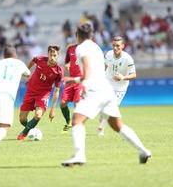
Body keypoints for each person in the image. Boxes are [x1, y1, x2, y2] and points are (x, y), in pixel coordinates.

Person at [61, 24, 151, 167]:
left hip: (95, 90)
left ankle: (79, 156)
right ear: (91, 35)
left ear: (77, 35)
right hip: (106, 89)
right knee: (117, 125)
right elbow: (100, 69)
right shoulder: (97, 47)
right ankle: (143, 150)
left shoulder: (81, 48)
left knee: (77, 121)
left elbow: (88, 72)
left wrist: (75, 80)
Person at [17, 45, 64, 140]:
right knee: (22, 120)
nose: (52, 57)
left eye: (55, 55)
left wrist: (52, 110)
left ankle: (22, 134)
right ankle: (31, 129)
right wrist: (27, 71)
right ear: (48, 54)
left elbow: (56, 91)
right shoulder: (40, 59)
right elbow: (33, 60)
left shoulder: (59, 71)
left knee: (38, 115)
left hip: (43, 94)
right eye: (51, 55)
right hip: (30, 91)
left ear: (58, 55)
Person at [97, 36, 137, 136]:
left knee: (111, 108)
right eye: (114, 45)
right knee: (103, 107)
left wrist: (122, 77)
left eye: (118, 46)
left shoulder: (127, 58)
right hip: (108, 83)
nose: (115, 48)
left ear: (122, 46)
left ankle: (101, 128)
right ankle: (102, 121)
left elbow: (134, 74)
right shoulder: (109, 54)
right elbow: (104, 67)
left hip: (120, 87)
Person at [60, 43, 83, 134]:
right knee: (62, 103)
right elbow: (67, 61)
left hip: (81, 79)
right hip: (71, 79)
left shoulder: (88, 49)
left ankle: (78, 127)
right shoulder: (70, 48)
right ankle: (68, 121)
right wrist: (67, 65)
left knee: (77, 103)